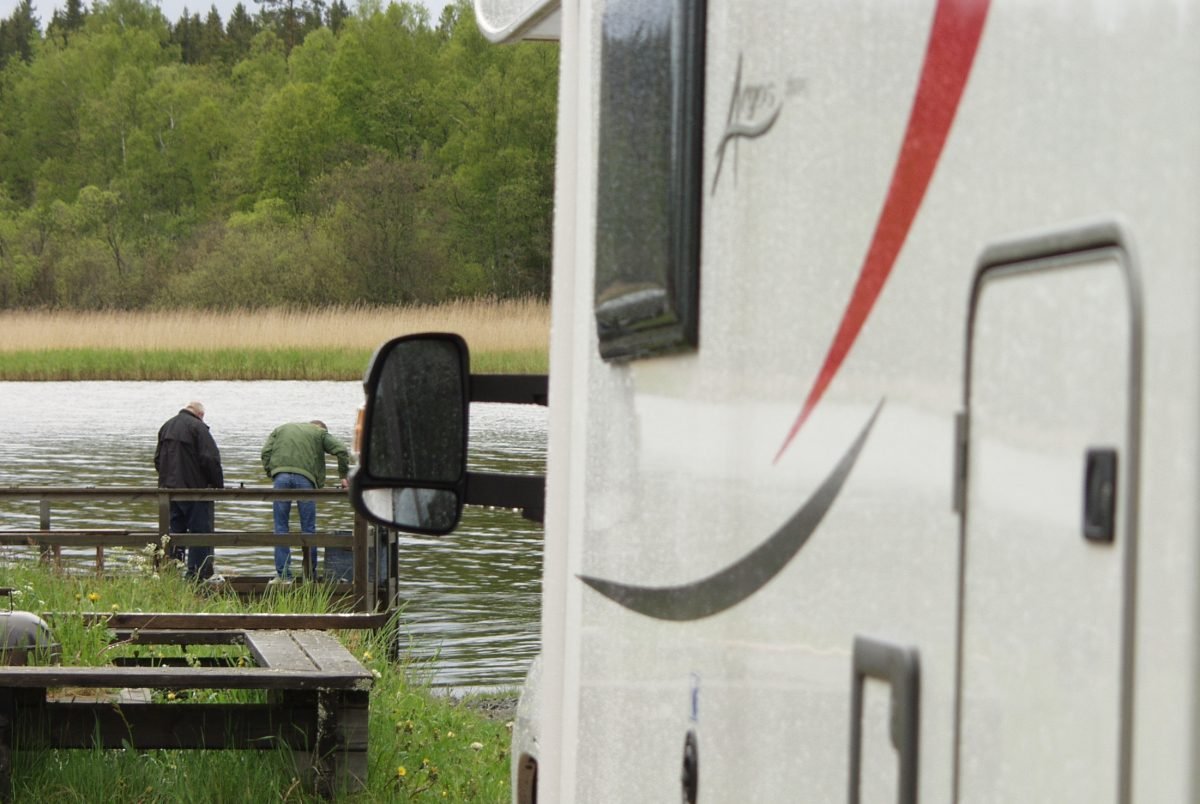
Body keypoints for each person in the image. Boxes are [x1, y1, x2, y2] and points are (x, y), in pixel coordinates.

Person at [261, 420, 351, 581]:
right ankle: (310, 575)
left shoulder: (281, 428)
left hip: (280, 478)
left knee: (280, 527)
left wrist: (272, 472)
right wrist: (343, 477)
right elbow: (342, 450)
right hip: (306, 479)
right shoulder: (320, 433)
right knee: (308, 528)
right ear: (322, 429)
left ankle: (284, 577)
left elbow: (265, 452)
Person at [154, 401, 224, 581]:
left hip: (169, 492)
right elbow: (210, 459)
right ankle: (196, 575)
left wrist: (167, 481)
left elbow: (157, 459)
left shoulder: (167, 426)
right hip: (195, 491)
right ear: (200, 415)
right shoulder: (198, 428)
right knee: (200, 533)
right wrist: (217, 486)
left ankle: (169, 573)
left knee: (172, 532)